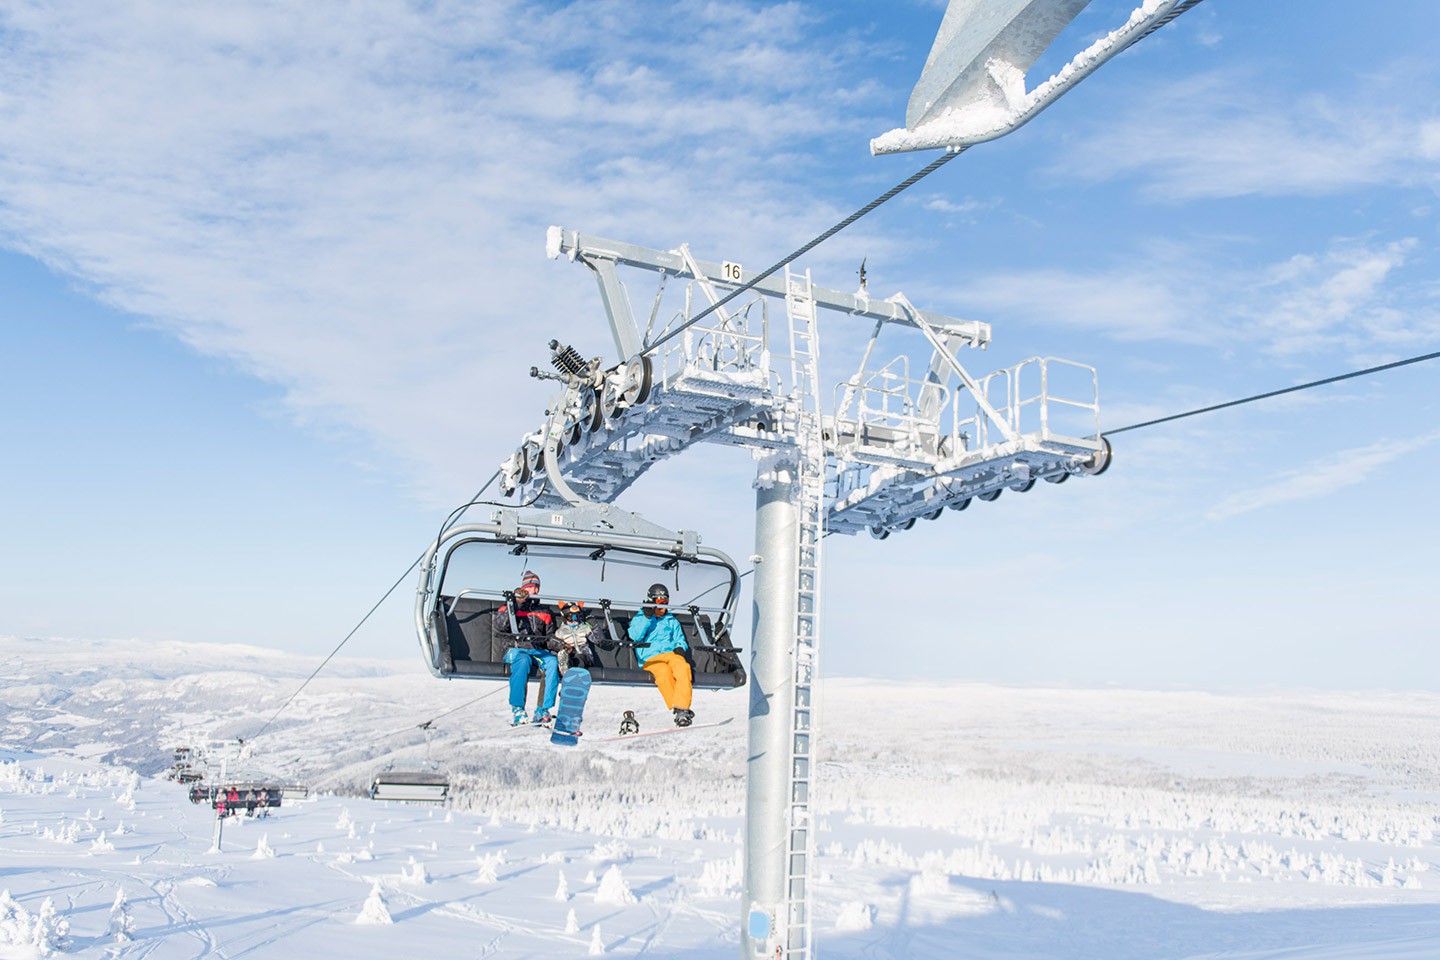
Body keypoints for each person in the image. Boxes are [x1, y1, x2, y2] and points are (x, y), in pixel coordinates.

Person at [493, 570, 556, 724]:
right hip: (516, 649)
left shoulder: (544, 612)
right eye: (530, 587)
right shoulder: (510, 607)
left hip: (537, 650)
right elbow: (500, 627)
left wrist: (560, 646)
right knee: (522, 660)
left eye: (536, 587)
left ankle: (542, 709)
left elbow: (549, 637)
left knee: (552, 662)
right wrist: (516, 604)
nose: (533, 590)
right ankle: (518, 708)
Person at [628, 583, 694, 726]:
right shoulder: (641, 617)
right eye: (659, 602)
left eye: (665, 602)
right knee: (663, 673)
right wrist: (646, 616)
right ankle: (681, 709)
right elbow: (635, 636)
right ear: (651, 600)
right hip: (650, 657)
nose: (662, 605)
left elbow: (679, 638)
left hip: (670, 654)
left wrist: (680, 647)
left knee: (683, 667)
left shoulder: (671, 620)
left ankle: (681, 708)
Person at [553, 600, 603, 675]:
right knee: (567, 657)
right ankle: (565, 666)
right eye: (571, 617)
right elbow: (554, 643)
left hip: (584, 654)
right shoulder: (560, 631)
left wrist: (594, 626)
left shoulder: (584, 628)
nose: (574, 620)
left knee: (579, 658)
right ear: (565, 617)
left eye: (576, 616)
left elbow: (598, 640)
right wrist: (563, 646)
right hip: (569, 652)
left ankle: (574, 674)